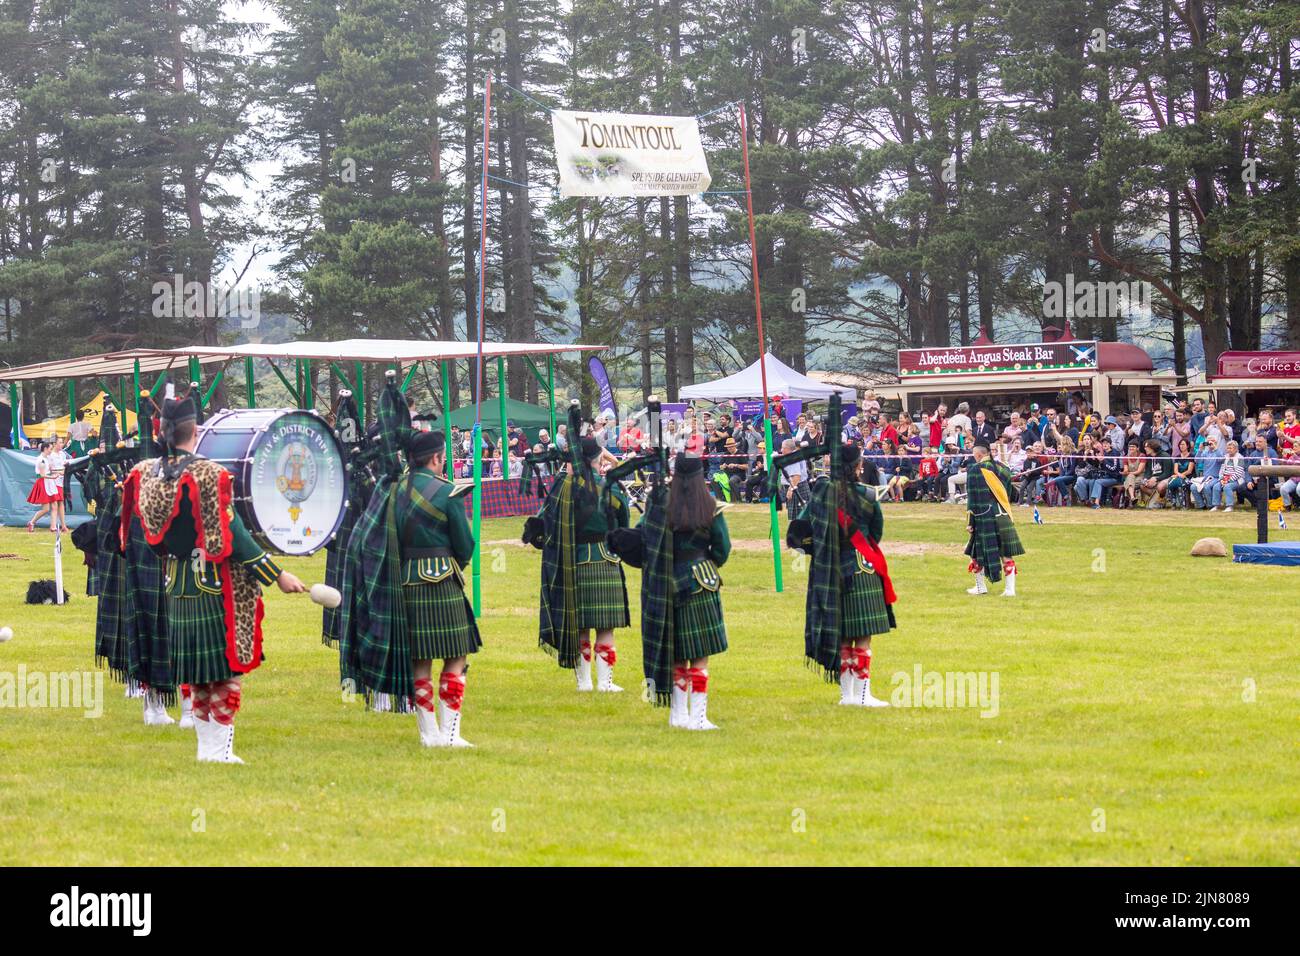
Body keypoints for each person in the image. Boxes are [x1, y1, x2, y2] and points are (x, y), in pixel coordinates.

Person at [121, 394, 306, 764]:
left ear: (162, 431)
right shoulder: (208, 474)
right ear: (197, 431)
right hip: (215, 584)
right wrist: (277, 574)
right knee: (223, 673)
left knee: (199, 674)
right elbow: (233, 537)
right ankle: (219, 752)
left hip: (177, 583)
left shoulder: (145, 473)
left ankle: (208, 751)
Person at [611, 453, 731, 730]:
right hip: (701, 581)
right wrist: (708, 563)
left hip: (665, 581)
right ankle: (698, 718)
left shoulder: (659, 503)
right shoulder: (710, 505)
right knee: (700, 653)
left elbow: (643, 538)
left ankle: (677, 714)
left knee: (676, 651)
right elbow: (723, 548)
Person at [788, 442, 896, 707]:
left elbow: (797, 535)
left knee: (845, 634)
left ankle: (846, 695)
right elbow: (876, 532)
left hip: (830, 569)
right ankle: (863, 696)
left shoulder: (820, 494)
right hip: (861, 566)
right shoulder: (869, 495)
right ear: (858, 467)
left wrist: (822, 549)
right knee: (863, 635)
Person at [528, 431, 631, 693]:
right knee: (606, 627)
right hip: (606, 558)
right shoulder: (612, 488)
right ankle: (606, 683)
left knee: (581, 627)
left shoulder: (563, 489)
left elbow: (543, 522)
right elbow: (624, 526)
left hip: (572, 560)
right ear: (598, 458)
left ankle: (583, 682)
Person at [963, 443, 1024, 597]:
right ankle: (1010, 590)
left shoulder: (975, 470)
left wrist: (970, 522)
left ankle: (981, 587)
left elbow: (973, 499)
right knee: (1006, 553)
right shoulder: (1003, 469)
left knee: (976, 553)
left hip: (985, 516)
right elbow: (1010, 494)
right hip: (1003, 514)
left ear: (977, 455)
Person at [26, 441, 61, 532]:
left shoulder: (47, 458)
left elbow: (50, 470)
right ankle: (32, 522)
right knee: (46, 509)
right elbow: (42, 475)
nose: (51, 450)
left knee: (54, 505)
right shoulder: (40, 460)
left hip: (49, 482)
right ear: (45, 449)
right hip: (43, 483)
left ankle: (53, 527)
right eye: (50, 449)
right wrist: (53, 477)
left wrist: (59, 472)